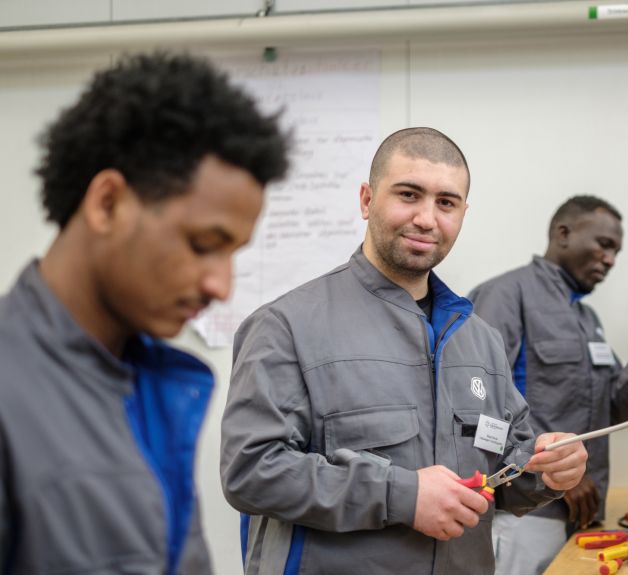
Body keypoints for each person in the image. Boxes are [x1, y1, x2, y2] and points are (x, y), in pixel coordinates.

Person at [220, 127, 588, 575]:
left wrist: (545, 471)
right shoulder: (286, 327)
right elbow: (252, 472)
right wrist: (403, 496)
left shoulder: (480, 339)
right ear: (366, 200)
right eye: (409, 195)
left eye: (446, 203)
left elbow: (502, 473)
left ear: (463, 213)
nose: (427, 219)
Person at [0, 52, 289, 574]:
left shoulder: (157, 385)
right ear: (108, 203)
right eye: (203, 244)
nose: (221, 286)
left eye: (233, 254)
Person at [468, 195, 628, 575]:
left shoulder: (586, 317)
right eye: (604, 245)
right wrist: (550, 470)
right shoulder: (505, 296)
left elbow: (617, 408)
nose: (610, 259)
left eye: (617, 251)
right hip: (528, 514)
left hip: (584, 514)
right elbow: (477, 401)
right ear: (563, 233)